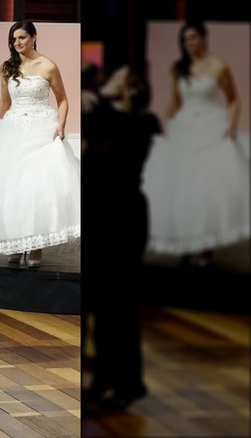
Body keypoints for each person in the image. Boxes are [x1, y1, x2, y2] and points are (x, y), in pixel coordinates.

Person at [81, 68, 161, 416]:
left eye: (117, 77)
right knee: (98, 304)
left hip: (123, 221)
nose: (108, 80)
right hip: (99, 218)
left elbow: (108, 152)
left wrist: (94, 101)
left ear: (128, 88)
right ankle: (104, 380)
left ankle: (128, 384)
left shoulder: (139, 124)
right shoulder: (104, 117)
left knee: (119, 308)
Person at [0, 20, 81, 268]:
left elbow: (62, 99)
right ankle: (14, 242)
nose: (17, 43)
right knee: (11, 189)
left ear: (33, 37)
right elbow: (4, 100)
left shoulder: (48, 65)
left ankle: (34, 246)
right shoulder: (7, 68)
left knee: (36, 189)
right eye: (13, 39)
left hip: (42, 131)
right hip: (13, 130)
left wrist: (61, 126)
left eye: (21, 38)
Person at [141, 20, 250, 268]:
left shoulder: (218, 66)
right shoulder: (179, 68)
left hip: (212, 129)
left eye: (192, 38)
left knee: (207, 188)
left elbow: (234, 99)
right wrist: (165, 126)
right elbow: (176, 101)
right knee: (183, 189)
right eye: (185, 39)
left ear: (203, 38)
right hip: (184, 129)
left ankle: (205, 245)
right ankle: (187, 243)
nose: (189, 43)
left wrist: (231, 128)